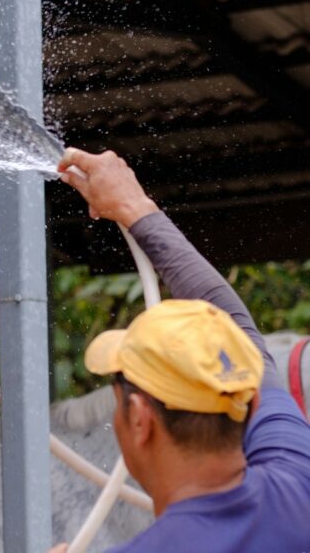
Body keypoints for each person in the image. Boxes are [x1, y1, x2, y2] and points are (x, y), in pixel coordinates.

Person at [48, 148, 310, 553]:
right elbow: (240, 332)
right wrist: (135, 206)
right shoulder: (298, 488)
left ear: (139, 419)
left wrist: (135, 206)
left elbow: (242, 332)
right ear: (254, 404)